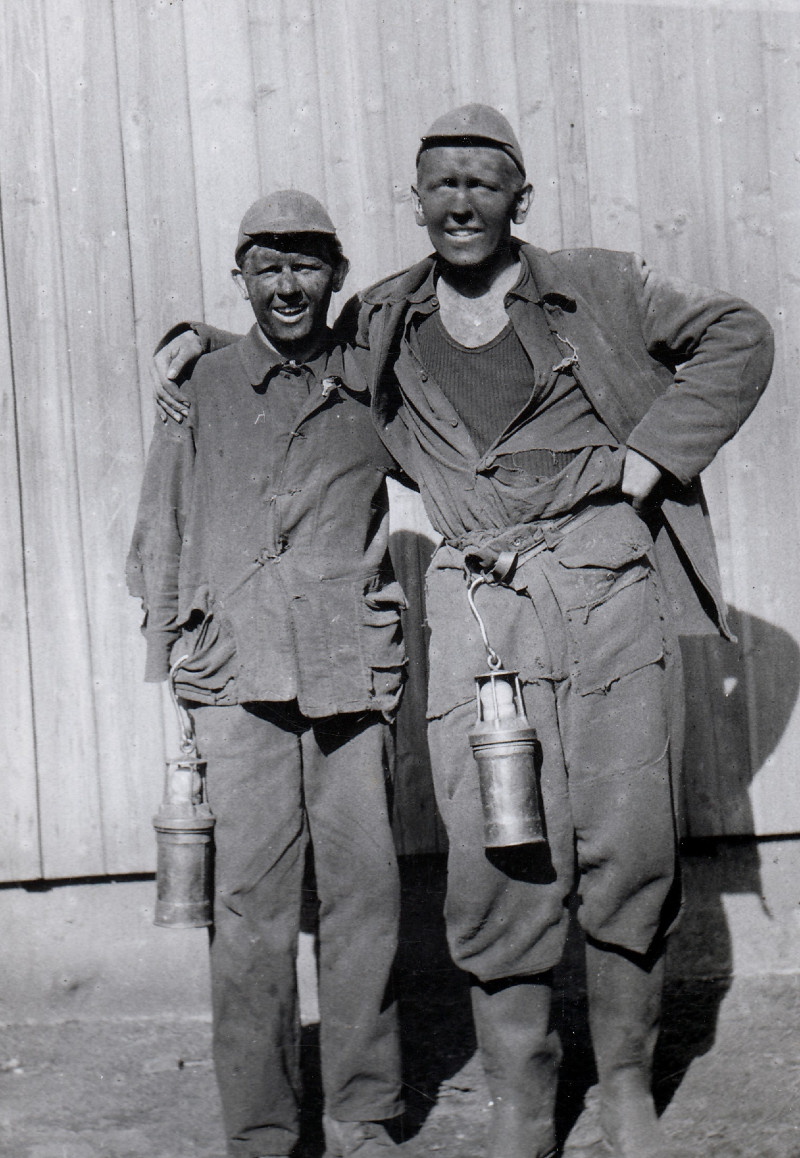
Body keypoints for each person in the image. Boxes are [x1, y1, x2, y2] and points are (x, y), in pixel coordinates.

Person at [152, 107, 773, 1158]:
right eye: (440, 183)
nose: (460, 201)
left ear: (518, 199)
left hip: (606, 584)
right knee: (499, 846)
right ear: (415, 200)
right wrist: (204, 348)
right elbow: (291, 348)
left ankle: (621, 1084)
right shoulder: (387, 318)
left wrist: (652, 457)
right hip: (477, 599)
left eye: (484, 182)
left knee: (626, 838)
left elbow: (737, 336)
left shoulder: (600, 286)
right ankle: (520, 1096)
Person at [128, 191, 407, 1158]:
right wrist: (171, 666)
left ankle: (364, 1110)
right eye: (267, 267)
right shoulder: (196, 386)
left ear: (337, 273)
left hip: (349, 666)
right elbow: (159, 527)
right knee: (248, 914)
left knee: (365, 898)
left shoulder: (378, 380)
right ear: (240, 277)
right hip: (234, 672)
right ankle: (260, 1128)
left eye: (307, 264)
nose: (288, 285)